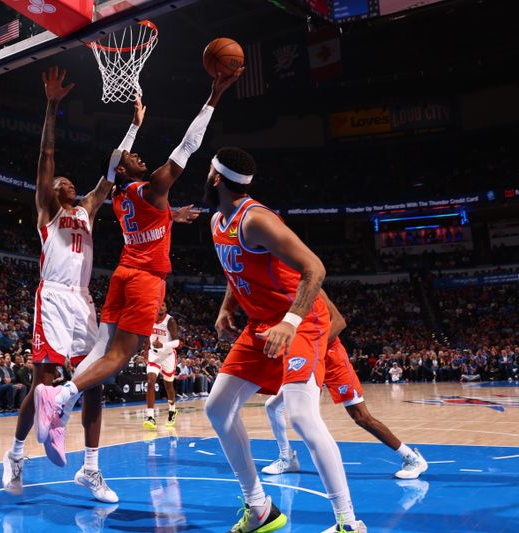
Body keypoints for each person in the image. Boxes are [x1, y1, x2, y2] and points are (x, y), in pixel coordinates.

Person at [33, 68, 240, 468]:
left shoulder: (122, 196)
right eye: (132, 157)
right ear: (125, 171)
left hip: (122, 273)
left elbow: (118, 174)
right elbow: (188, 145)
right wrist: (212, 97)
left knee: (97, 351)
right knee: (120, 356)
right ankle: (58, 396)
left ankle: (69, 415)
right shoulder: (154, 186)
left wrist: (168, 213)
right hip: (143, 279)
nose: (138, 156)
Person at [202, 146, 363, 532]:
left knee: (303, 415)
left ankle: (347, 523)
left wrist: (290, 322)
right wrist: (227, 308)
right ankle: (260, 510)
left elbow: (315, 268)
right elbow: (234, 268)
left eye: (208, 169)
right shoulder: (215, 222)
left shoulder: (257, 220)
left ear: (217, 178)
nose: (205, 174)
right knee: (218, 408)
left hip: (300, 321)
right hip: (259, 323)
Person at [3, 66, 141, 504]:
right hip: (52, 297)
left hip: (82, 303)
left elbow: (113, 171)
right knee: (43, 382)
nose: (64, 181)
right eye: (59, 181)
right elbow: (46, 158)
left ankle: (91, 469)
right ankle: (16, 453)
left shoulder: (86, 208)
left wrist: (134, 127)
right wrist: (50, 107)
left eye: (68, 181)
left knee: (92, 381)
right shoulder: (47, 211)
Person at [263, 290, 428, 480]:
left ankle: (412, 458)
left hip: (330, 357)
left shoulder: (311, 288)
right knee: (272, 405)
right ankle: (287, 458)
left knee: (361, 417)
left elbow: (339, 322)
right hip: (306, 357)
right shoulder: (276, 292)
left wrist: (313, 349)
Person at [142, 301, 180, 430]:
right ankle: (150, 417)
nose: (161, 307)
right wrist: (146, 350)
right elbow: (147, 336)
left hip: (168, 355)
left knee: (168, 385)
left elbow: (176, 342)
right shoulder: (149, 319)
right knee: (150, 381)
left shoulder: (170, 321)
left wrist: (163, 345)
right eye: (159, 305)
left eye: (163, 305)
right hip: (154, 354)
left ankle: (172, 409)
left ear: (166, 308)